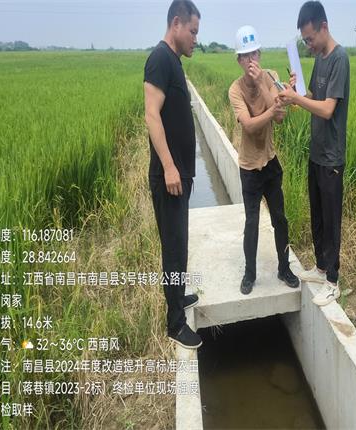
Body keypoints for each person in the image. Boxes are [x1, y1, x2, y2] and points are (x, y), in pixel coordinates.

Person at [278, 1, 350, 306]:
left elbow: (327, 108)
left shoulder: (339, 59)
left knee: (331, 219)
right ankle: (320, 268)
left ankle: (332, 281)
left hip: (332, 156)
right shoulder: (320, 58)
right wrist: (295, 92)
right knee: (318, 214)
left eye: (310, 39)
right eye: (304, 41)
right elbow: (313, 97)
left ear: (324, 27)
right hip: (317, 151)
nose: (308, 45)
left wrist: (297, 99)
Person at [143, 0, 202, 349]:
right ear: (176, 23)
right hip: (169, 178)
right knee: (174, 247)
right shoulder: (160, 59)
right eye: (192, 31)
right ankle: (175, 324)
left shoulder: (174, 61)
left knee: (180, 243)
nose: (195, 38)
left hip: (180, 176)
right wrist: (168, 166)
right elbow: (152, 115)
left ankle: (178, 297)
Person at [228, 25, 300, 295]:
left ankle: (284, 268)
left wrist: (264, 84)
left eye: (254, 54)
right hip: (249, 167)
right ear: (239, 60)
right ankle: (249, 274)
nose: (251, 61)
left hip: (270, 161)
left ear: (260, 54)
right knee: (251, 223)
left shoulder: (271, 77)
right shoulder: (235, 90)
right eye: (245, 56)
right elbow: (248, 125)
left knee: (280, 218)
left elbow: (280, 118)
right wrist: (273, 107)